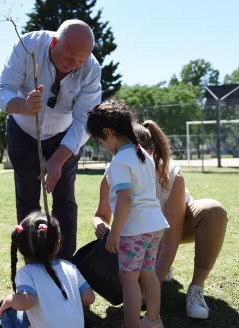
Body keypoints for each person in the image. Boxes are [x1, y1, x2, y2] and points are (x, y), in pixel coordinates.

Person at [93, 120, 228, 320]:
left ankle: (196, 288)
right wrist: (103, 227)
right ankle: (156, 276)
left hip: (171, 227)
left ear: (151, 152)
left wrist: (145, 292)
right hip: (144, 232)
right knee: (142, 270)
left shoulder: (170, 173)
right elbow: (101, 215)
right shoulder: (116, 169)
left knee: (214, 211)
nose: (134, 160)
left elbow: (171, 238)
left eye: (140, 154)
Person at [0, 19, 102, 260]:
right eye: (69, 58)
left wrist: (59, 158)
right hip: (22, 129)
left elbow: (85, 119)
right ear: (53, 43)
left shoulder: (91, 69)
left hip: (65, 136)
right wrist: (23, 105)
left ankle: (64, 261)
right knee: (28, 197)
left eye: (80, 61)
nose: (73, 66)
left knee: (64, 198)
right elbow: (2, 89)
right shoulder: (28, 45)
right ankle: (32, 258)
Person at [86, 101, 168, 328]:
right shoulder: (142, 153)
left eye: (101, 141)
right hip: (155, 226)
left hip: (134, 230)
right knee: (149, 275)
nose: (102, 146)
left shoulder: (119, 162)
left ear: (108, 133)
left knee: (129, 280)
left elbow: (125, 199)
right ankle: (153, 320)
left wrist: (115, 234)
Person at [0, 211, 95, 328]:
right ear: (57, 244)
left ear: (21, 247)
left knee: (9, 312)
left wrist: (9, 299)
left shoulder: (26, 273)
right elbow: (89, 298)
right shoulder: (70, 268)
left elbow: (26, 302)